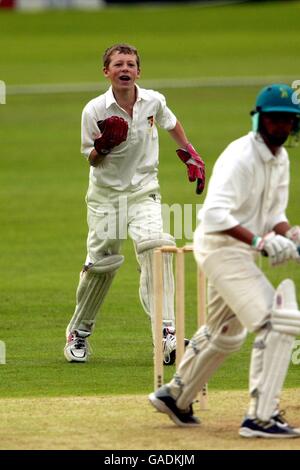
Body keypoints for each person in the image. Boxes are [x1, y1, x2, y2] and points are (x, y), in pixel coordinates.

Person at [149, 83, 300, 438]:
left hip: (241, 252)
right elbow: (216, 214)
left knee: (225, 334)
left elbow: (273, 212)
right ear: (259, 120)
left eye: (289, 121)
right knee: (275, 323)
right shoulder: (241, 156)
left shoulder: (281, 160)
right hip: (220, 248)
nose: (281, 127)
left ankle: (175, 396)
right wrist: (262, 242)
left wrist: (289, 233)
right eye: (275, 120)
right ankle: (260, 417)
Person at [64, 43, 205, 365]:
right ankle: (79, 332)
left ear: (138, 71)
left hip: (144, 190)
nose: (124, 69)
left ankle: (167, 335)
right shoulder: (94, 110)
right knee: (103, 265)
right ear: (107, 72)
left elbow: (171, 123)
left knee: (158, 250)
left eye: (130, 64)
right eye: (118, 65)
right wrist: (105, 145)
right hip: (107, 198)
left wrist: (190, 153)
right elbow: (93, 160)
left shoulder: (153, 101)